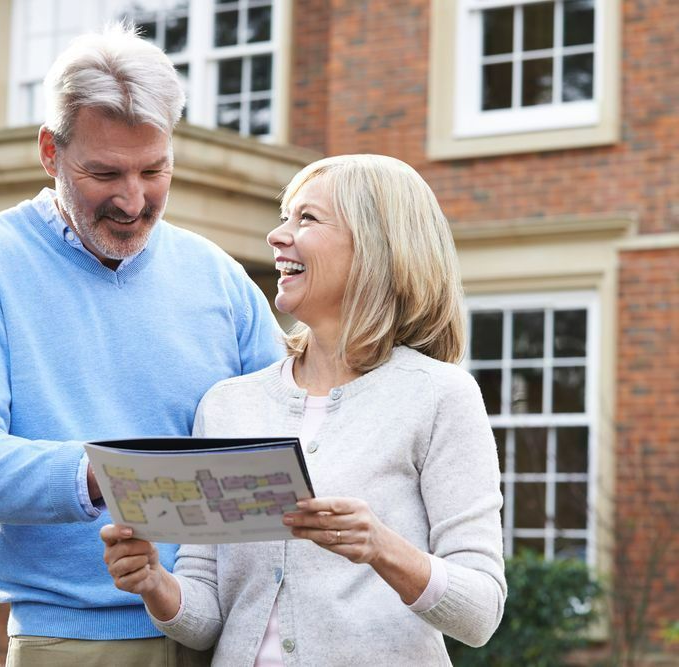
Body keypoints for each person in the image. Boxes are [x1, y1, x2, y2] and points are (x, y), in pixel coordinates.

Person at [0, 23, 282, 666]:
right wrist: (117, 479)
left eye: (154, 169)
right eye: (105, 172)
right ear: (49, 153)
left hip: (226, 633)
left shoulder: (219, 276)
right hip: (72, 642)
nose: (133, 200)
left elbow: (290, 438)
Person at [101, 154, 507, 666]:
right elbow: (207, 618)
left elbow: (481, 612)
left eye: (307, 219)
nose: (277, 235)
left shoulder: (439, 396)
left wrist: (383, 547)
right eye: (284, 216)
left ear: (377, 246)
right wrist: (155, 582)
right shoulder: (228, 406)